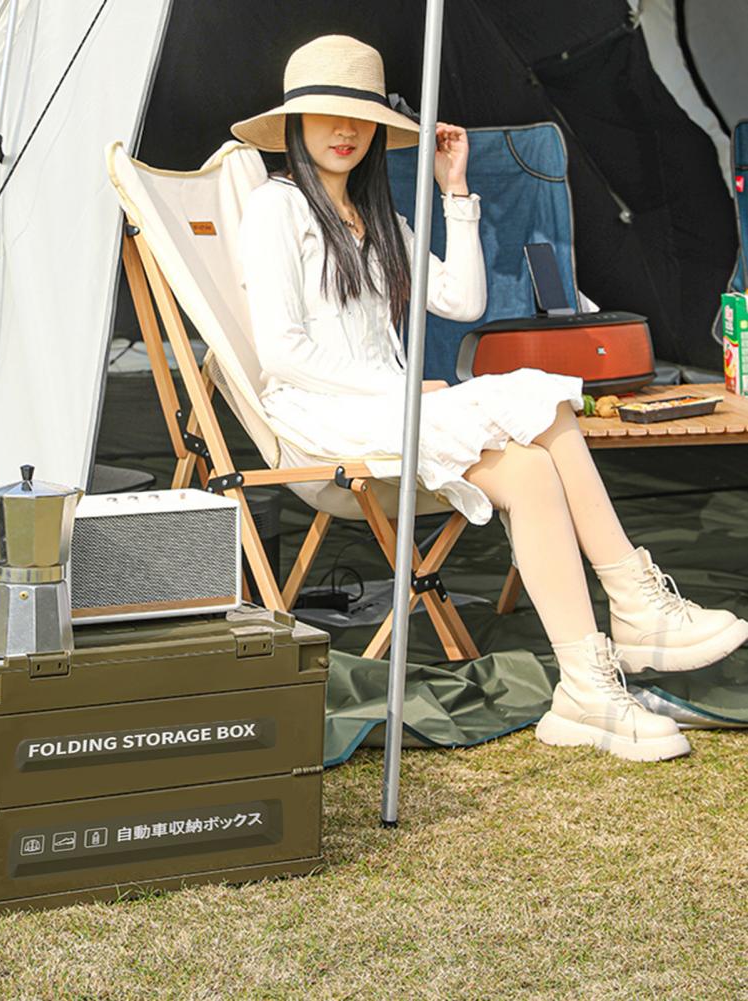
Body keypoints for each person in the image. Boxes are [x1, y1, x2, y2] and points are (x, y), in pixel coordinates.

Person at [231, 34, 748, 762]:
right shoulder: (274, 209)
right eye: (326, 116)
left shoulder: (379, 217)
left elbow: (462, 297)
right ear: (294, 124)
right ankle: (630, 606)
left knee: (534, 456)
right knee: (538, 397)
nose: (344, 131)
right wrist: (405, 389)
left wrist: (454, 193)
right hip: (326, 420)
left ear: (379, 129)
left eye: (359, 118)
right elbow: (282, 353)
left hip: (390, 408)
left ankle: (587, 683)